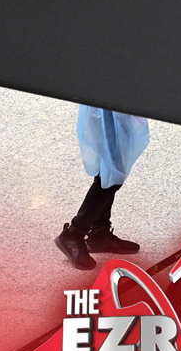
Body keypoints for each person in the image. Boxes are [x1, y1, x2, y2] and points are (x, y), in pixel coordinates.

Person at [56, 106, 150, 270]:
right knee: (112, 172)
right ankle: (74, 234)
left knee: (109, 169)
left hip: (115, 104)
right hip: (107, 106)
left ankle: (99, 232)